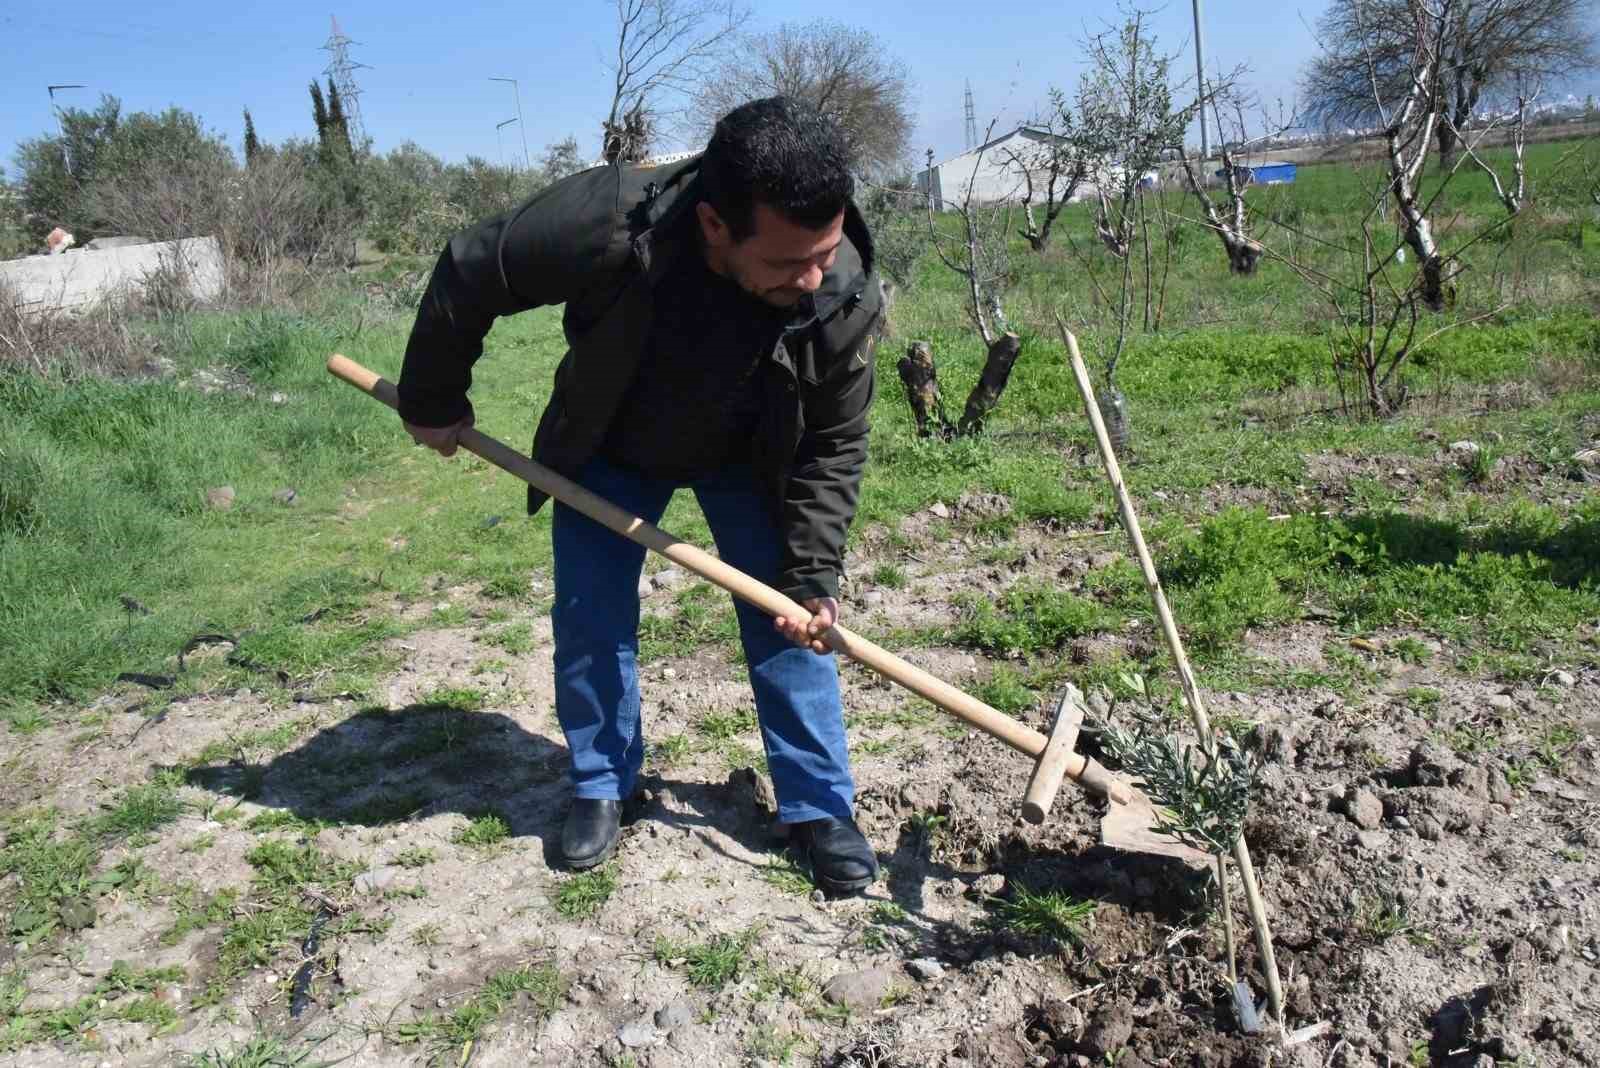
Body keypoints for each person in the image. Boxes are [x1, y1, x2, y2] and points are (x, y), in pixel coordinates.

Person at [396, 97, 884, 895]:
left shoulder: (840, 291)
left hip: (755, 455)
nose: (811, 277)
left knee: (791, 625)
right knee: (592, 619)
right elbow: (472, 266)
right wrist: (431, 397)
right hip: (613, 440)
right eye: (789, 262)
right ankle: (600, 784)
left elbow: (834, 444)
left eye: (823, 253)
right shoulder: (608, 221)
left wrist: (813, 578)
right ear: (716, 226)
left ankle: (817, 805)